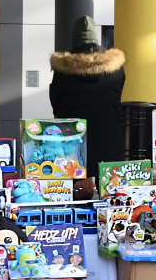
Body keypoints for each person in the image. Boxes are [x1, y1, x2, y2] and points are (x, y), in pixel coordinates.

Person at [50, 16, 127, 175]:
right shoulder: (115, 69)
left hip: (72, 141)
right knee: (109, 188)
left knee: (73, 189)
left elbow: (56, 102)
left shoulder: (63, 71)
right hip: (109, 139)